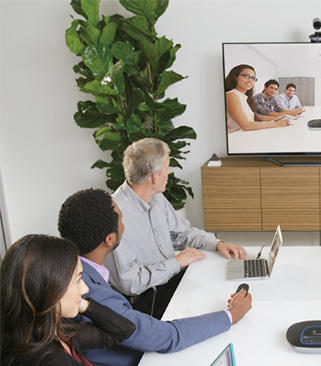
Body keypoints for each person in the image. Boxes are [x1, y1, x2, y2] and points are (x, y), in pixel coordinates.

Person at [58, 188, 252, 365]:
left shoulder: (66, 270)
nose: (124, 224)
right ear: (109, 239)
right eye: (121, 219)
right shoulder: (90, 292)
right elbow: (164, 337)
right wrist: (231, 315)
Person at [103, 137, 248, 318]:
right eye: (167, 168)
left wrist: (217, 244)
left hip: (173, 282)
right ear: (154, 177)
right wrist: (176, 262)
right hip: (148, 304)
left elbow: (184, 234)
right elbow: (130, 282)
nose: (169, 172)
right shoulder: (114, 216)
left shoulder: (155, 198)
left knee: (224, 285)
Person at [1, 234, 136, 365]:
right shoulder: (51, 360)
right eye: (78, 280)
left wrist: (83, 304)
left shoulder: (56, 332)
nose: (85, 289)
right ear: (50, 289)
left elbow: (124, 330)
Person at [224, 64, 289, 133]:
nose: (250, 80)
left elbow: (257, 117)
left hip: (244, 134)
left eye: (253, 78)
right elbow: (246, 125)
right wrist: (276, 124)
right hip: (235, 137)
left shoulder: (245, 97)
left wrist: (278, 118)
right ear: (235, 77)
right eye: (246, 76)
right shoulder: (231, 95)